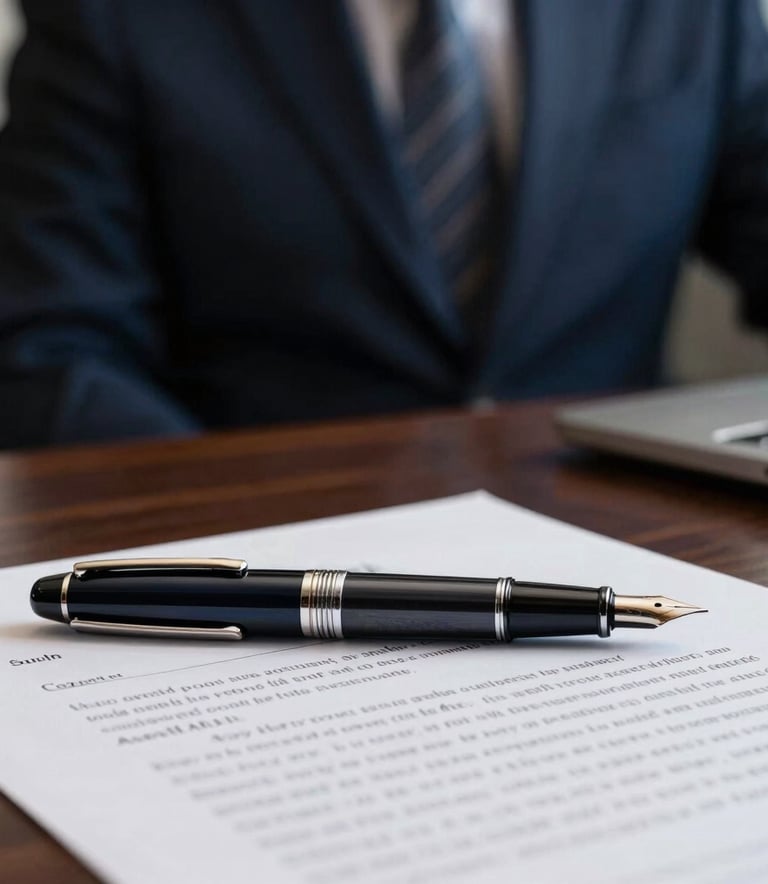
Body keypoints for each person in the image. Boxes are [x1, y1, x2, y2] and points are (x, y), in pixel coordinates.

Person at [0, 0, 767, 449]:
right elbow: (56, 349)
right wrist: (230, 535)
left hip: (618, 525)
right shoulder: (115, 15)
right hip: (271, 549)